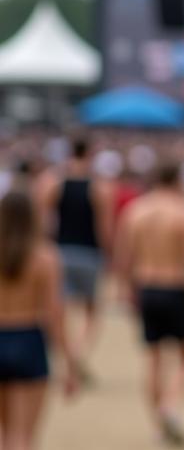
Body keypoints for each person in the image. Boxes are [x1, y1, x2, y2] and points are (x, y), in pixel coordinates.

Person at [115, 161, 184, 446]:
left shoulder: (135, 210)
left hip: (146, 286)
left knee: (154, 358)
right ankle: (169, 406)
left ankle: (158, 426)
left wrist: (125, 288)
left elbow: (124, 257)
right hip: (176, 287)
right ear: (178, 180)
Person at [0, 188, 75, 450]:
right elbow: (55, 314)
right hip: (28, 340)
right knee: (23, 440)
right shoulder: (44, 256)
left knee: (4, 442)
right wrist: (70, 364)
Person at [42, 136, 113, 377]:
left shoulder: (54, 181)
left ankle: (68, 355)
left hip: (60, 251)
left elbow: (45, 220)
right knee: (91, 311)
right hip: (88, 252)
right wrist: (108, 254)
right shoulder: (98, 186)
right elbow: (104, 227)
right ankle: (77, 352)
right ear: (90, 152)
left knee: (60, 310)